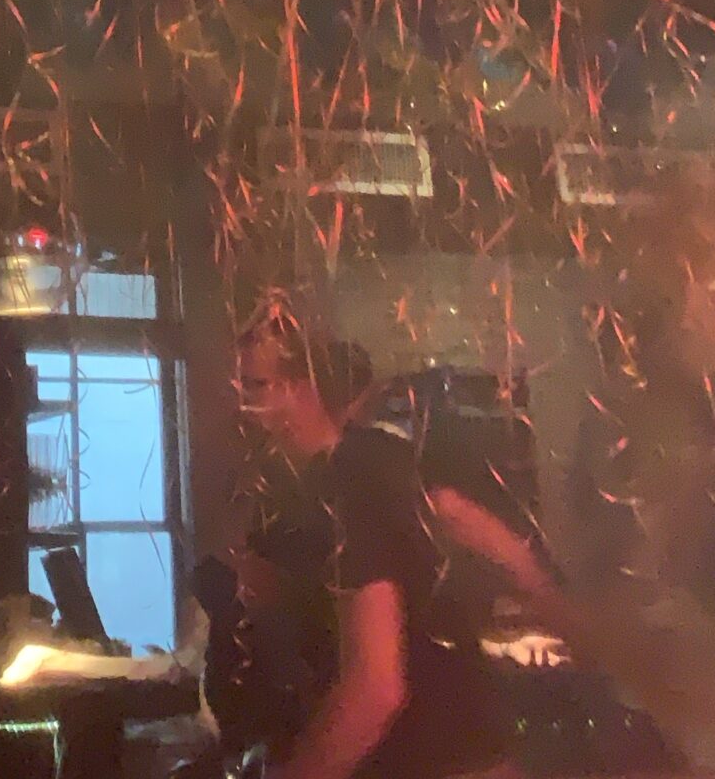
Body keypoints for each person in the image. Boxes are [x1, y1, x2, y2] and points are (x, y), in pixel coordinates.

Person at [229, 319, 540, 779]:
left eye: (255, 386)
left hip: (444, 765)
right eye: (239, 386)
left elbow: (375, 688)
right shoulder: (305, 487)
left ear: (305, 388)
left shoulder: (351, 479)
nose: (241, 407)